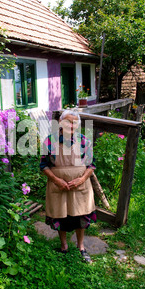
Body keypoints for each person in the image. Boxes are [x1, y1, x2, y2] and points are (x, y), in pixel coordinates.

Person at [40, 109, 96, 263]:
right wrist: (57, 180)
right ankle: (64, 246)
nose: (71, 125)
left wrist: (81, 179)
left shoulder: (85, 141)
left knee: (80, 216)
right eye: (67, 121)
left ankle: (81, 247)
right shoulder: (49, 141)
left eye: (74, 122)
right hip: (58, 186)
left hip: (80, 186)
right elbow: (43, 165)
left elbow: (91, 165)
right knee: (61, 215)